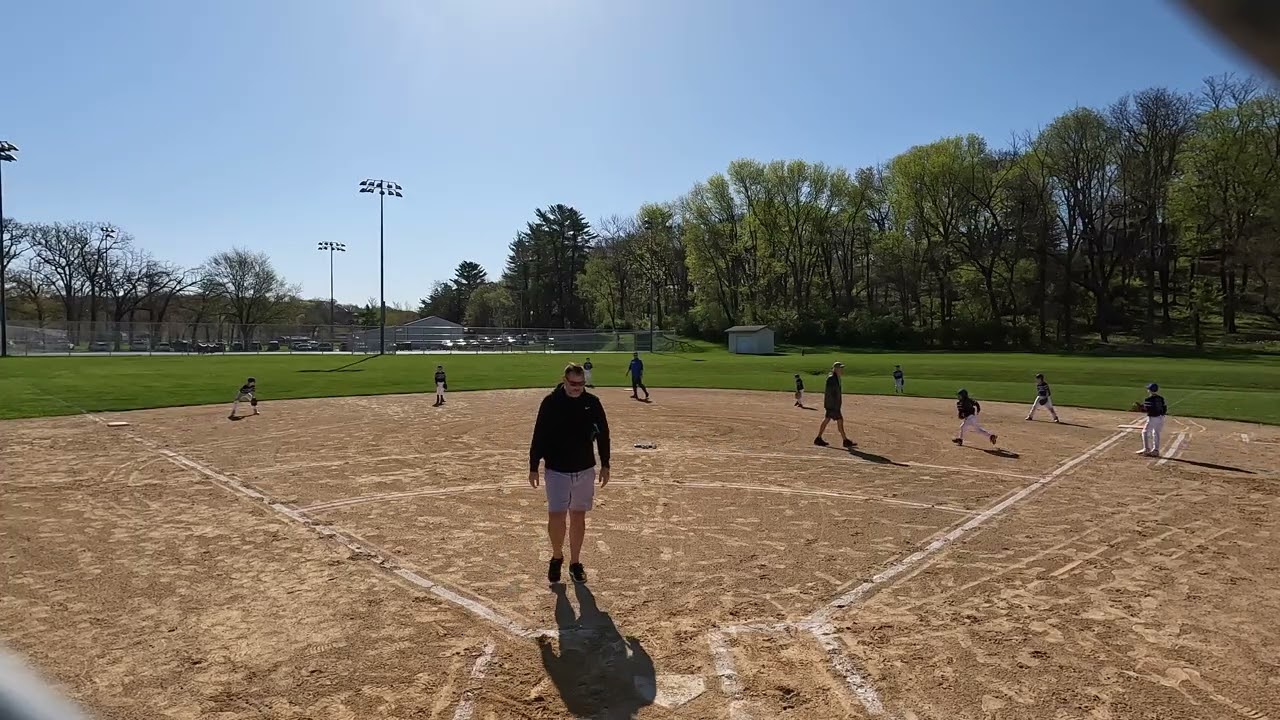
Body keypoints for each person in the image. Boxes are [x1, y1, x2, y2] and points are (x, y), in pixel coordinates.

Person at [529, 363, 611, 584]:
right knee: (556, 516)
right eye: (573, 383)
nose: (577, 388)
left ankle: (575, 563)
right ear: (564, 380)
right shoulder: (551, 402)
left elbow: (603, 434)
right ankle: (557, 557)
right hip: (556, 469)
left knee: (578, 516)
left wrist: (606, 463)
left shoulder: (592, 403)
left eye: (581, 384)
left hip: (584, 469)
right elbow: (539, 434)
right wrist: (533, 465)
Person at [814, 362, 855, 448]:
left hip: (834, 405)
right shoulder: (831, 379)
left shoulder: (837, 378)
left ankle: (819, 438)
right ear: (836, 369)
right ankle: (845, 440)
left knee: (829, 420)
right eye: (840, 368)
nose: (842, 370)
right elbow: (829, 393)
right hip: (832, 405)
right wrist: (831, 406)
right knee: (838, 420)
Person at [1135, 383, 1168, 457]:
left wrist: (1141, 407)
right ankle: (1155, 450)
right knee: (1156, 433)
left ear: (1149, 390)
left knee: (1145, 432)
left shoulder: (1148, 399)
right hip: (1161, 418)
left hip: (1153, 418)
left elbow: (1148, 409)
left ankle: (1146, 449)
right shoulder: (1161, 398)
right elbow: (1165, 408)